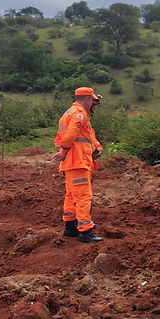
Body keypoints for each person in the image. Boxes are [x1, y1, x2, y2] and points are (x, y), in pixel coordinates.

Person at [52, 87, 104, 243]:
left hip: (72, 163)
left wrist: (97, 148)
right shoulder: (79, 114)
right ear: (87, 99)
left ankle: (70, 227)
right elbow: (70, 136)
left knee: (71, 194)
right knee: (83, 197)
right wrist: (63, 152)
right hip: (78, 162)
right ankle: (85, 231)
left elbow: (61, 139)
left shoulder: (67, 115)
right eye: (93, 102)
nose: (93, 106)